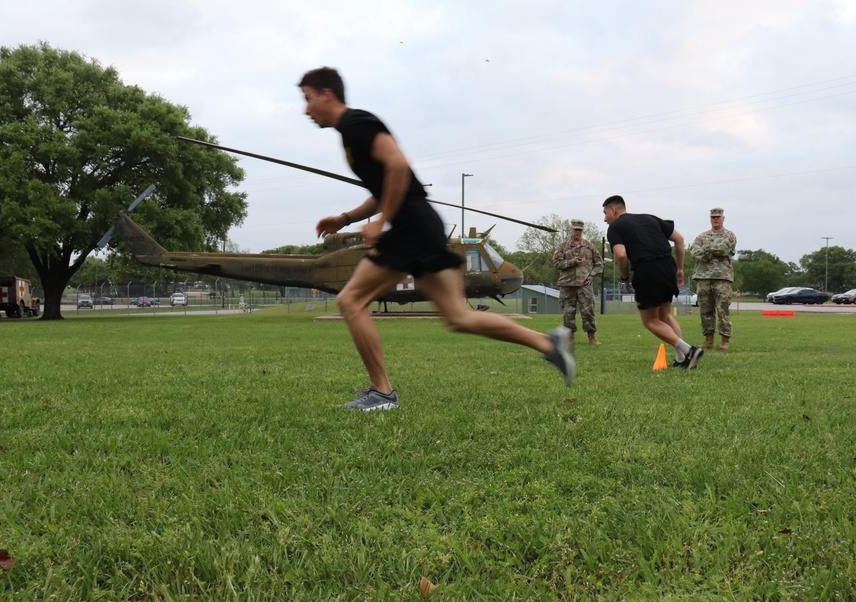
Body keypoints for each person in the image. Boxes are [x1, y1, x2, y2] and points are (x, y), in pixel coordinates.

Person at [299, 67, 575, 410]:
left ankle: (382, 394)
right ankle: (549, 344)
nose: (306, 109)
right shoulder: (350, 133)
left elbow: (398, 167)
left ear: (327, 93)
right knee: (458, 316)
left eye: (308, 99)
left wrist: (382, 221)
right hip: (421, 225)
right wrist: (346, 219)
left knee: (351, 301)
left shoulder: (356, 124)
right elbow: (384, 185)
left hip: (410, 227)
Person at [602, 195, 703, 369]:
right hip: (667, 266)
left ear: (613, 210)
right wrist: (679, 268)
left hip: (647, 269)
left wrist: (625, 278)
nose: (605, 219)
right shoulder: (650, 218)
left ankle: (689, 351)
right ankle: (682, 359)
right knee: (665, 316)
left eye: (605, 213)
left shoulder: (615, 227)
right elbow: (679, 240)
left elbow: (621, 255)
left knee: (650, 320)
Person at [691, 207, 737, 351]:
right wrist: (710, 251)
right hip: (703, 277)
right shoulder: (702, 236)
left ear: (723, 218)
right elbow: (694, 250)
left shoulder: (729, 235)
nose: (715, 219)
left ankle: (725, 341)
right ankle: (708, 340)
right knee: (705, 310)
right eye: (713, 217)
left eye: (718, 217)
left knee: (722, 309)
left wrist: (706, 249)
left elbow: (724, 249)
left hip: (722, 277)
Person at [553, 219, 603, 345]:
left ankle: (592, 337)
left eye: (580, 230)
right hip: (567, 285)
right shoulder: (563, 247)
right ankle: (570, 338)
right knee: (568, 313)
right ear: (571, 230)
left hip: (584, 285)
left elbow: (599, 264)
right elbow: (557, 264)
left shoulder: (589, 246)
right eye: (575, 229)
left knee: (588, 312)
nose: (577, 232)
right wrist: (571, 262)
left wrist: (591, 276)